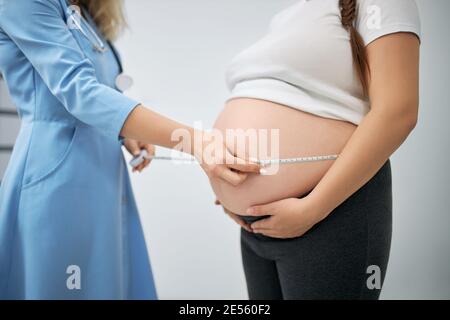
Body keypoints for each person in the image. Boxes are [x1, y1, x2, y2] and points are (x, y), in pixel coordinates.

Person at [0, 0, 259, 299]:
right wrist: (194, 141)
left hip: (106, 177)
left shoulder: (85, 13)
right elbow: (79, 92)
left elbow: (102, 90)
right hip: (58, 178)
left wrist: (127, 133)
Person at [212, 0, 421, 299]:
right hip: (256, 226)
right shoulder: (291, 14)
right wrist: (232, 184)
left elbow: (397, 111)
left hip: (330, 211)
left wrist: (313, 209)